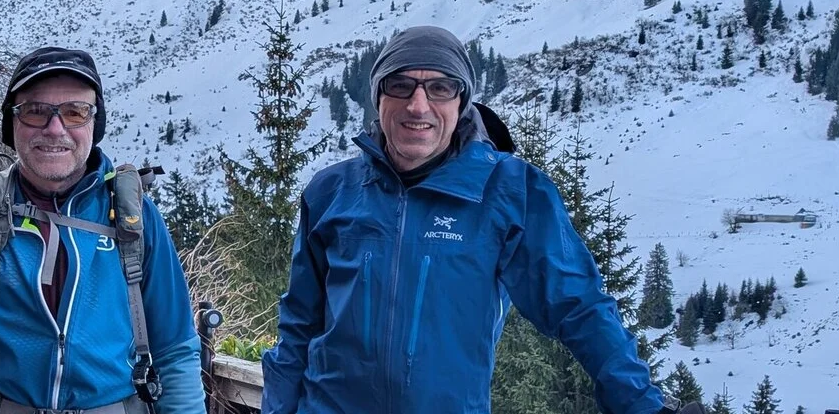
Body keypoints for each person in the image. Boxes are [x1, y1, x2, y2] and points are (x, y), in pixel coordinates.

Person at [261, 26, 677, 414]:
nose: (418, 104)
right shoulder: (332, 191)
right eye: (400, 85)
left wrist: (640, 404)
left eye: (440, 88)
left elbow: (579, 306)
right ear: (379, 97)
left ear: (461, 103)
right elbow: (299, 323)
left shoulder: (509, 191)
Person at [0, 47, 205, 414]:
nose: (56, 129)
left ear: (94, 124)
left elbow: (176, 352)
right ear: (12, 124)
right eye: (36, 111)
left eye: (74, 112)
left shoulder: (135, 219)